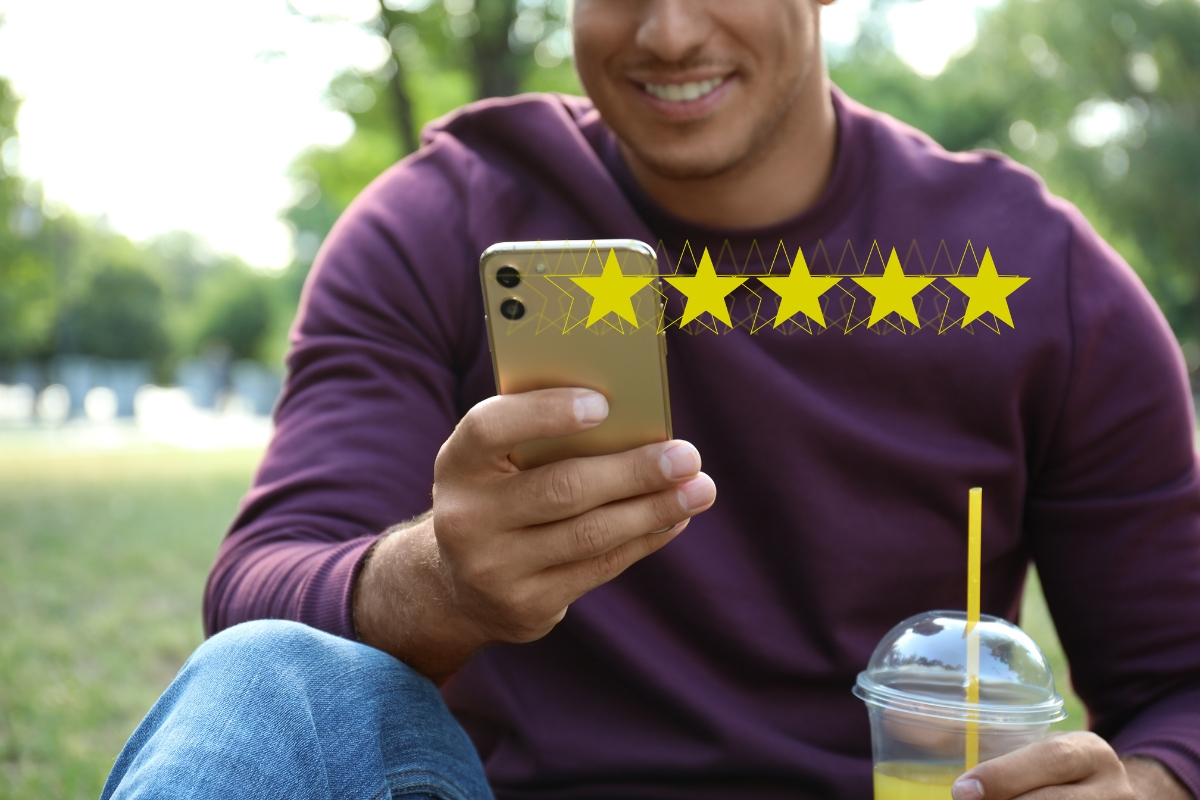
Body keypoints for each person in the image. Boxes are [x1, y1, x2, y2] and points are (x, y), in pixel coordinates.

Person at [103, 0, 1200, 798]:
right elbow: (255, 595)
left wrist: (1134, 790)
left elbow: (1179, 686)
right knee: (260, 672)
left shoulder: (1035, 273)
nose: (668, 32)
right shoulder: (443, 218)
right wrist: (443, 581)